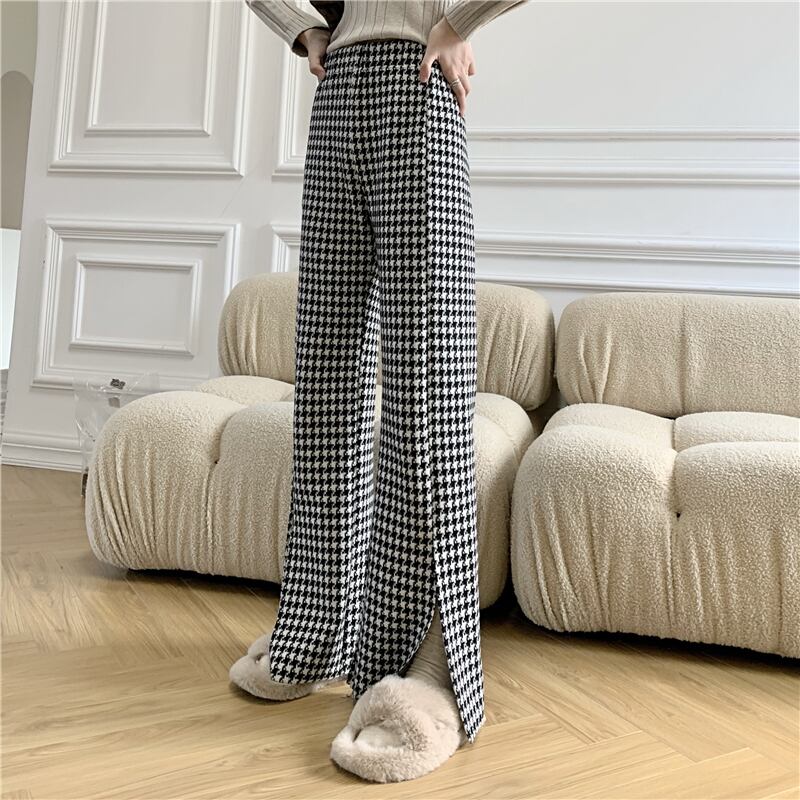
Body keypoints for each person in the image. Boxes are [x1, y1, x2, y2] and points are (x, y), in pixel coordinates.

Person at [230, 0, 529, 784]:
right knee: (325, 382)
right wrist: (303, 29)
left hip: (417, 82)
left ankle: (431, 662)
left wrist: (459, 23)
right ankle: (319, 625)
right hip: (339, 93)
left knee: (425, 388)